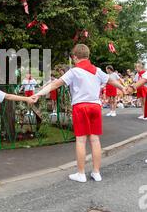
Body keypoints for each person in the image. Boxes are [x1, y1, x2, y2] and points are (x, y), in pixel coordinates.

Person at [31, 45, 126, 183]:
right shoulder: (97, 70)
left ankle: (81, 173)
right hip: (95, 106)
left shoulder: (74, 71)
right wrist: (123, 87)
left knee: (81, 140)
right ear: (88, 56)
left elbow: (55, 84)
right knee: (95, 140)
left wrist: (38, 94)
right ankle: (96, 172)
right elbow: (111, 81)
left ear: (75, 57)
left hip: (81, 106)